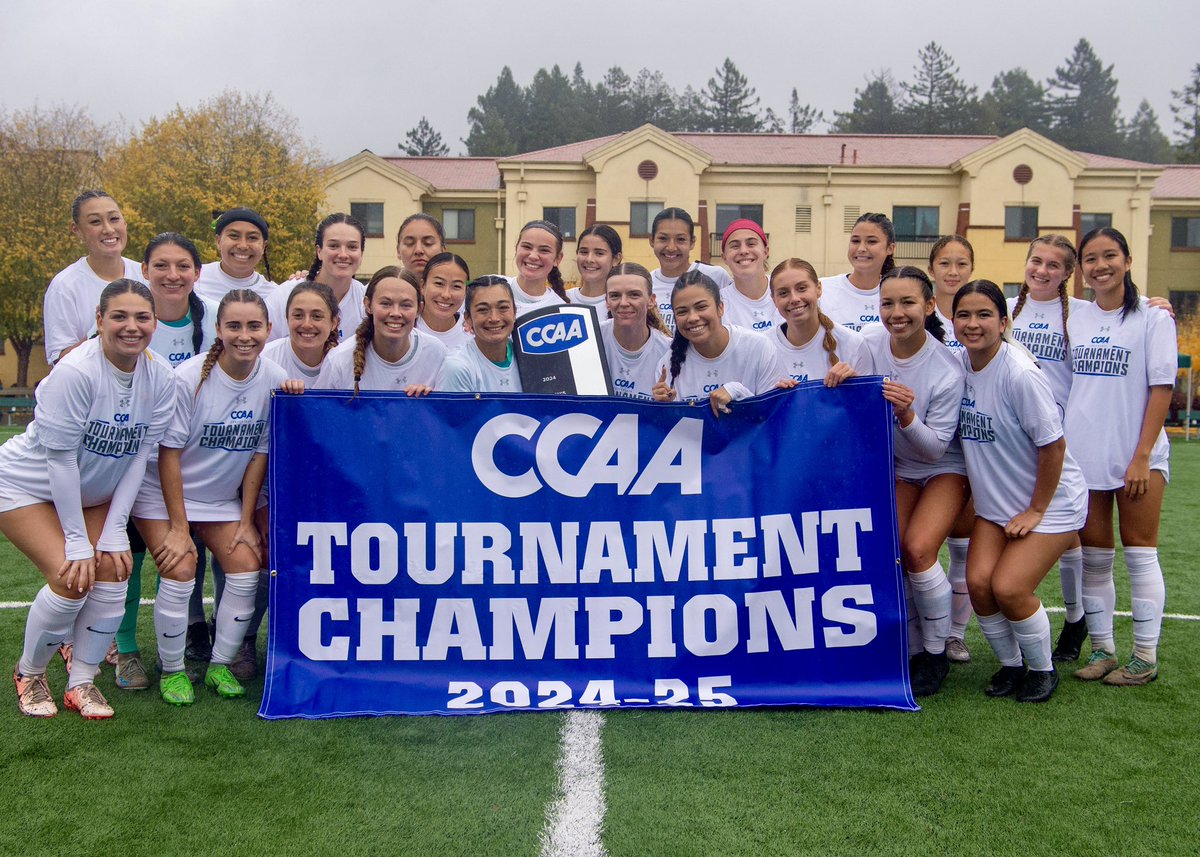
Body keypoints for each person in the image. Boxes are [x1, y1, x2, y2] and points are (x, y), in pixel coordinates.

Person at [6, 280, 175, 718]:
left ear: (155, 322)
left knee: (115, 571)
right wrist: (79, 541)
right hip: (27, 486)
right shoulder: (76, 373)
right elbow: (60, 463)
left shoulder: (160, 377)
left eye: (142, 317)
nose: (131, 326)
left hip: (90, 491)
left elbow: (138, 455)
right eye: (118, 316)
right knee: (70, 577)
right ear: (98, 320)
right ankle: (30, 673)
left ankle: (81, 681)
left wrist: (117, 529)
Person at [131, 289, 288, 703]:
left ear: (268, 330)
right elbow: (168, 457)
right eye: (233, 326)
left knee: (246, 565)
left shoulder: (271, 377)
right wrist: (181, 529)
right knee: (181, 565)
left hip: (219, 498)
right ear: (218, 329)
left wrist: (244, 519)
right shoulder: (190, 378)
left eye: (254, 326)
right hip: (162, 494)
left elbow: (259, 454)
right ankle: (172, 670)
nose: (244, 335)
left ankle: (220, 665)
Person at [953, 279, 1088, 703]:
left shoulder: (1020, 374)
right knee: (978, 585)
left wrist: (1036, 510)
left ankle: (1043, 670)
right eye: (964, 315)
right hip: (997, 505)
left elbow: (1054, 446)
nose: (973, 324)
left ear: (1004, 321)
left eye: (984, 315)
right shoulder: (958, 364)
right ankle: (1012, 665)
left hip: (1051, 503)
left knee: (1009, 588)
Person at [108, 233, 219, 691]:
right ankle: (126, 651)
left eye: (182, 267)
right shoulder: (133, 322)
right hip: (131, 458)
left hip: (191, 459)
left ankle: (195, 632)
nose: (172, 275)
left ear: (197, 273)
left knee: (193, 551)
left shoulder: (211, 317)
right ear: (144, 271)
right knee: (126, 558)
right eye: (161, 266)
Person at [1065, 227, 1175, 686]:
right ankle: (1103, 650)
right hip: (1084, 456)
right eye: (1090, 259)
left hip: (1136, 455)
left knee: (1140, 554)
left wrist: (1142, 456)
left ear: (1128, 261)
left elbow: (1161, 388)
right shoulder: (1076, 316)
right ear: (1082, 270)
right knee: (1095, 558)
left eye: (1110, 256)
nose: (1100, 266)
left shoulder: (1154, 316)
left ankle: (1144, 657)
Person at [863, 267, 967, 696]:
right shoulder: (868, 346)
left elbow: (935, 449)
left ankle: (936, 653)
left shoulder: (946, 367)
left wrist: (906, 415)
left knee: (920, 549)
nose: (896, 312)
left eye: (907, 303)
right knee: (887, 551)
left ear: (928, 306)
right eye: (888, 303)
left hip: (943, 466)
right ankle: (911, 646)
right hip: (900, 468)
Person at [927, 236, 979, 663]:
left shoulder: (980, 311)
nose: (953, 271)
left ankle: (954, 634)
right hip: (924, 444)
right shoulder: (921, 314)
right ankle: (923, 630)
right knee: (919, 546)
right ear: (931, 269)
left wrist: (1151, 303)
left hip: (973, 446)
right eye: (944, 262)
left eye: (962, 263)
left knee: (962, 542)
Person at [652, 271, 785, 417]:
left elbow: (774, 418)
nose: (693, 318)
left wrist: (737, 392)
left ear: (720, 308)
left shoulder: (759, 348)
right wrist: (665, 408)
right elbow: (677, 431)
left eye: (701, 307)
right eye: (682, 312)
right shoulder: (668, 365)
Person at [43, 190, 145, 364]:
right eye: (95, 222)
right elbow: (60, 361)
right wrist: (99, 332)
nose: (108, 229)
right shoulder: (64, 286)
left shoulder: (146, 276)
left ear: (125, 222)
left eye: (114, 219)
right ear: (77, 230)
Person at [316, 267, 446, 395]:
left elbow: (448, 413)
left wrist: (430, 405)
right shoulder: (338, 360)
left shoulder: (437, 353)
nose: (396, 313)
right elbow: (319, 412)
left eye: (406, 305)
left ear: (419, 309)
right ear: (368, 305)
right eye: (385, 303)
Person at [768, 259, 872, 386]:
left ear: (818, 288)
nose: (794, 299)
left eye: (801, 288)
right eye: (783, 293)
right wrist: (775, 400)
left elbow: (868, 402)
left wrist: (854, 387)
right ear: (773, 299)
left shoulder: (853, 343)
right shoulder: (763, 346)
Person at [267, 213, 365, 342]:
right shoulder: (284, 296)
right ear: (319, 251)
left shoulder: (365, 301)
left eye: (352, 247)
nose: (343, 254)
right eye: (334, 246)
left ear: (361, 253)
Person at [649, 208, 733, 333]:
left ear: (692, 242)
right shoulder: (646, 283)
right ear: (652, 241)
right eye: (663, 238)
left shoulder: (715, 276)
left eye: (681, 239)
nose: (671, 247)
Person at [436, 276, 523, 393]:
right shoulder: (458, 367)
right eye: (483, 309)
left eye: (503, 308)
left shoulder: (529, 356)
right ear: (468, 318)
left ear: (514, 313)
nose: (494, 318)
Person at [599, 263, 672, 400]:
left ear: (651, 300)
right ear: (607, 302)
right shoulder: (592, 339)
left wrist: (666, 404)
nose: (624, 303)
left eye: (634, 295)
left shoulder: (668, 350)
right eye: (615, 296)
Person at [819, 212, 896, 332]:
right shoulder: (822, 290)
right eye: (855, 241)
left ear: (890, 248)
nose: (861, 249)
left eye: (871, 242)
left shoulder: (898, 294)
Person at [262, 281, 341, 383]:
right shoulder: (265, 359)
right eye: (298, 315)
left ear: (334, 322)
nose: (307, 325)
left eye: (317, 316)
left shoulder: (345, 362)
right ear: (287, 318)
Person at [193, 208, 277, 304]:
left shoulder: (274, 295)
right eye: (234, 236)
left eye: (252, 237)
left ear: (263, 246)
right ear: (218, 241)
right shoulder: (193, 279)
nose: (243, 246)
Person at [720, 219, 783, 334]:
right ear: (724, 257)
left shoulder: (787, 291)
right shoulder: (719, 304)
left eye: (751, 244)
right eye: (735, 246)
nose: (743, 251)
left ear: (766, 251)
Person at [506, 220, 568, 311]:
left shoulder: (560, 311)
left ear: (558, 259)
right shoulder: (490, 288)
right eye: (527, 247)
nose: (533, 256)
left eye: (544, 250)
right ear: (516, 248)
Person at [416, 252, 472, 350]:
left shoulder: (473, 334)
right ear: (423, 286)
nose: (446, 295)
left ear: (466, 291)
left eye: (456, 286)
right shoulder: (407, 328)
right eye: (439, 283)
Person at [570, 225, 623, 307]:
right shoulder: (563, 299)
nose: (589, 259)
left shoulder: (623, 304)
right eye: (584, 252)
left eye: (599, 253)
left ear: (616, 259)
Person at [396, 213, 447, 277]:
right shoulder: (385, 285)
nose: (418, 250)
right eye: (410, 243)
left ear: (443, 250)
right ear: (398, 251)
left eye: (428, 243)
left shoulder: (458, 285)